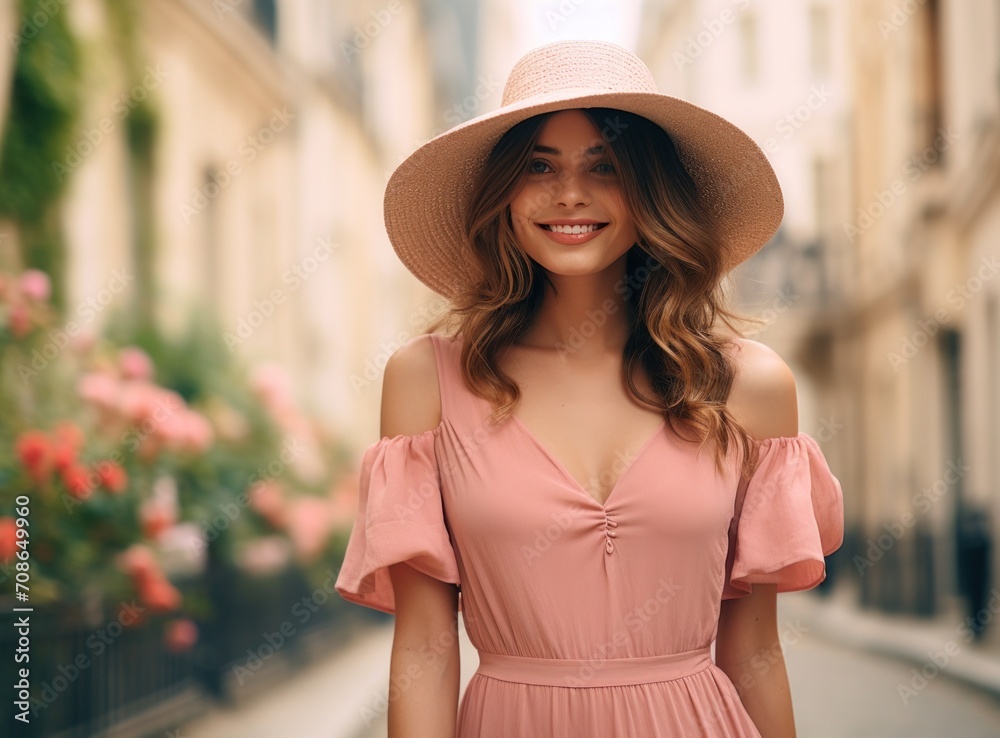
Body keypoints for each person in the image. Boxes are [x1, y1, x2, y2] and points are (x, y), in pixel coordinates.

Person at [335, 40, 845, 737]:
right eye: (538, 166)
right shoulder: (428, 381)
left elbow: (754, 650)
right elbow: (425, 647)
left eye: (604, 167)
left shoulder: (746, 387)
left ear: (650, 193)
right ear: (504, 194)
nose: (569, 193)